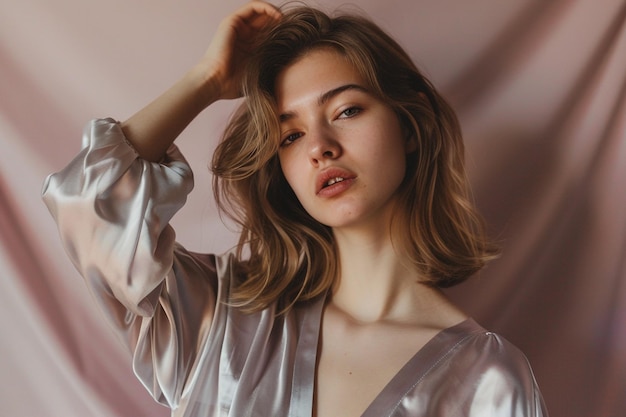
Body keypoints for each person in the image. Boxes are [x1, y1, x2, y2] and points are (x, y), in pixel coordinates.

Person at [42, 1, 548, 416]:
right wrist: (208, 79)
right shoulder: (222, 316)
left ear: (410, 126)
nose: (320, 147)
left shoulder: (486, 382)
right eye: (291, 134)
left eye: (347, 110)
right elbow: (89, 203)